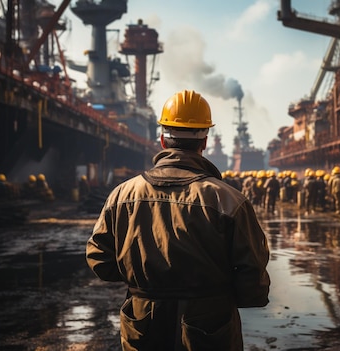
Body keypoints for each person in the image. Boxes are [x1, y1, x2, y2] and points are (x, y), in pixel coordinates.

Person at [86, 90, 270, 350]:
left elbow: (99, 259)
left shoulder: (122, 195)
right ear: (204, 142)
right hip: (210, 323)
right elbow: (253, 275)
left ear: (162, 139)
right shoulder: (229, 201)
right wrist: (220, 299)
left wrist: (143, 280)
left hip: (142, 320)